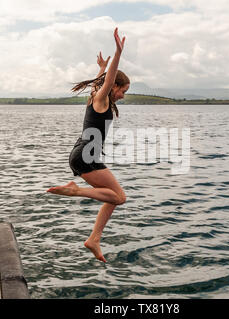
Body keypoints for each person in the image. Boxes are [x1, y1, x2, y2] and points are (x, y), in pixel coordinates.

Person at [47, 27, 130, 263]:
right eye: (123, 90)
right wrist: (117, 54)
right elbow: (109, 79)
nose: (123, 95)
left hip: (83, 153)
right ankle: (75, 191)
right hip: (86, 154)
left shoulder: (96, 94)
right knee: (120, 197)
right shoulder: (102, 98)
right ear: (113, 86)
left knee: (113, 197)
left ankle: (94, 238)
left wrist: (101, 67)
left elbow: (101, 80)